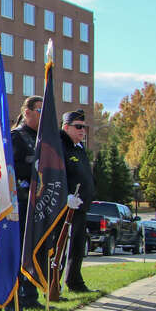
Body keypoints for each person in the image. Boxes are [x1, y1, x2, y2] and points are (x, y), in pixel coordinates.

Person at [11, 96, 43, 311]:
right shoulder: (17, 136)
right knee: (18, 251)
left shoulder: (43, 137)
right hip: (20, 203)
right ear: (27, 111)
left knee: (33, 250)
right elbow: (10, 169)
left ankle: (31, 295)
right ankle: (15, 299)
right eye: (40, 110)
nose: (43, 115)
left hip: (37, 204)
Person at [60, 109, 96, 293]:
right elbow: (57, 175)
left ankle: (75, 282)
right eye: (78, 127)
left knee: (77, 248)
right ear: (66, 127)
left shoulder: (79, 148)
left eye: (84, 127)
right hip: (65, 207)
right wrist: (65, 195)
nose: (83, 131)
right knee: (60, 248)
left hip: (81, 207)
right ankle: (52, 285)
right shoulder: (61, 146)